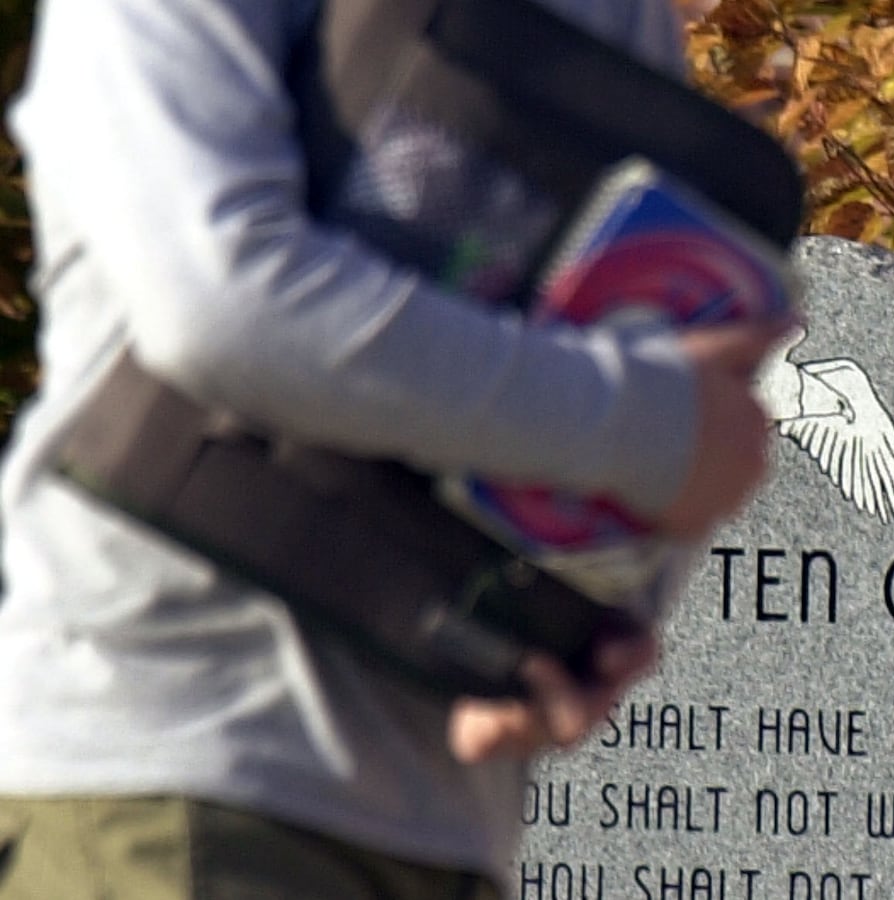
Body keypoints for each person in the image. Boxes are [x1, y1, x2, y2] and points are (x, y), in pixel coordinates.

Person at [0, 0, 785, 896]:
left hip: (449, 812)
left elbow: (644, 330)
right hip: (179, 765)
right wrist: (642, 428)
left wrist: (591, 621)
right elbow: (221, 299)